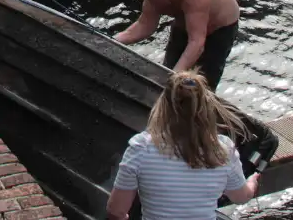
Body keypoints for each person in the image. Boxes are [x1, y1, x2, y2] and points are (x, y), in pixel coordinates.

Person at [105, 71, 261, 220]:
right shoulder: (223, 150)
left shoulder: (141, 148)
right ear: (205, 108)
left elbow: (116, 211)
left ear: (163, 107)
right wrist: (252, 183)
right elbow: (241, 197)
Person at [113, 0, 240, 91]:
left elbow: (196, 43)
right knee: (167, 71)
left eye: (154, 0)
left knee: (199, 85)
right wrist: (112, 41)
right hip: (185, 23)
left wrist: (173, 77)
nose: (152, 4)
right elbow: (145, 25)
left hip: (220, 28)